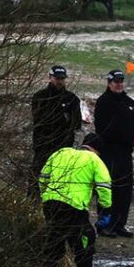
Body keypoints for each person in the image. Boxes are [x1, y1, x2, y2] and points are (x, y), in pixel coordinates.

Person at [38, 133, 112, 267]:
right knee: (84, 242)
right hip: (74, 207)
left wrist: (45, 195)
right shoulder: (94, 160)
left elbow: (43, 177)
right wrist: (106, 207)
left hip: (51, 203)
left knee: (54, 238)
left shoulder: (60, 153)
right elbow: (104, 187)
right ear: (97, 150)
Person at [94, 69, 134, 237]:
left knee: (125, 191)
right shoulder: (103, 102)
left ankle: (119, 224)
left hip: (125, 153)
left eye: (121, 81)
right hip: (109, 152)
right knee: (108, 188)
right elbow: (105, 129)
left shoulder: (129, 102)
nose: (119, 84)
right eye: (116, 81)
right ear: (109, 83)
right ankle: (104, 224)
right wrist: (128, 138)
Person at [31, 65, 82, 195]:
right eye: (57, 78)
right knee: (37, 177)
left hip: (63, 147)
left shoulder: (72, 99)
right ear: (50, 77)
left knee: (60, 179)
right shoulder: (40, 97)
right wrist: (61, 118)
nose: (60, 81)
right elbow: (40, 121)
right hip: (43, 145)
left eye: (62, 79)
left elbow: (76, 124)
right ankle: (32, 204)